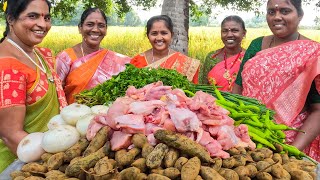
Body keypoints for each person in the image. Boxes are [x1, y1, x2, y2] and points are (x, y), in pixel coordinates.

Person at [232, 0, 320, 161]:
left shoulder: (313, 53)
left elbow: (318, 110)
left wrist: (290, 151)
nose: (276, 17)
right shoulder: (256, 45)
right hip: (247, 137)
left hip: (290, 144)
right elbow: (238, 88)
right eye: (271, 12)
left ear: (300, 15)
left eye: (285, 11)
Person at [0, 0, 67, 172]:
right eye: (33, 16)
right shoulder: (7, 66)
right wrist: (52, 168)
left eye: (47, 17)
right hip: (19, 167)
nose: (42, 24)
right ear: (11, 19)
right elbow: (11, 135)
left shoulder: (41, 54)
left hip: (50, 158)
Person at [56, 8, 131, 104]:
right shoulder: (65, 58)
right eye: (90, 24)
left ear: (106, 30)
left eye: (101, 25)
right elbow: (56, 93)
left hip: (104, 116)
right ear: (80, 28)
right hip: (72, 116)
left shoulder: (115, 59)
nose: (95, 30)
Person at [130, 15, 200, 84]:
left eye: (164, 33)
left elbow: (192, 92)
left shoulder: (186, 63)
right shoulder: (137, 61)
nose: (159, 38)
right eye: (154, 33)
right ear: (148, 36)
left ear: (171, 35)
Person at [199, 15, 246, 92]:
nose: (229, 35)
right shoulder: (212, 57)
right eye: (225, 31)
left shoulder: (249, 57)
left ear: (243, 33)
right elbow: (203, 87)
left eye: (234, 30)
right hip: (212, 103)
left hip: (242, 103)